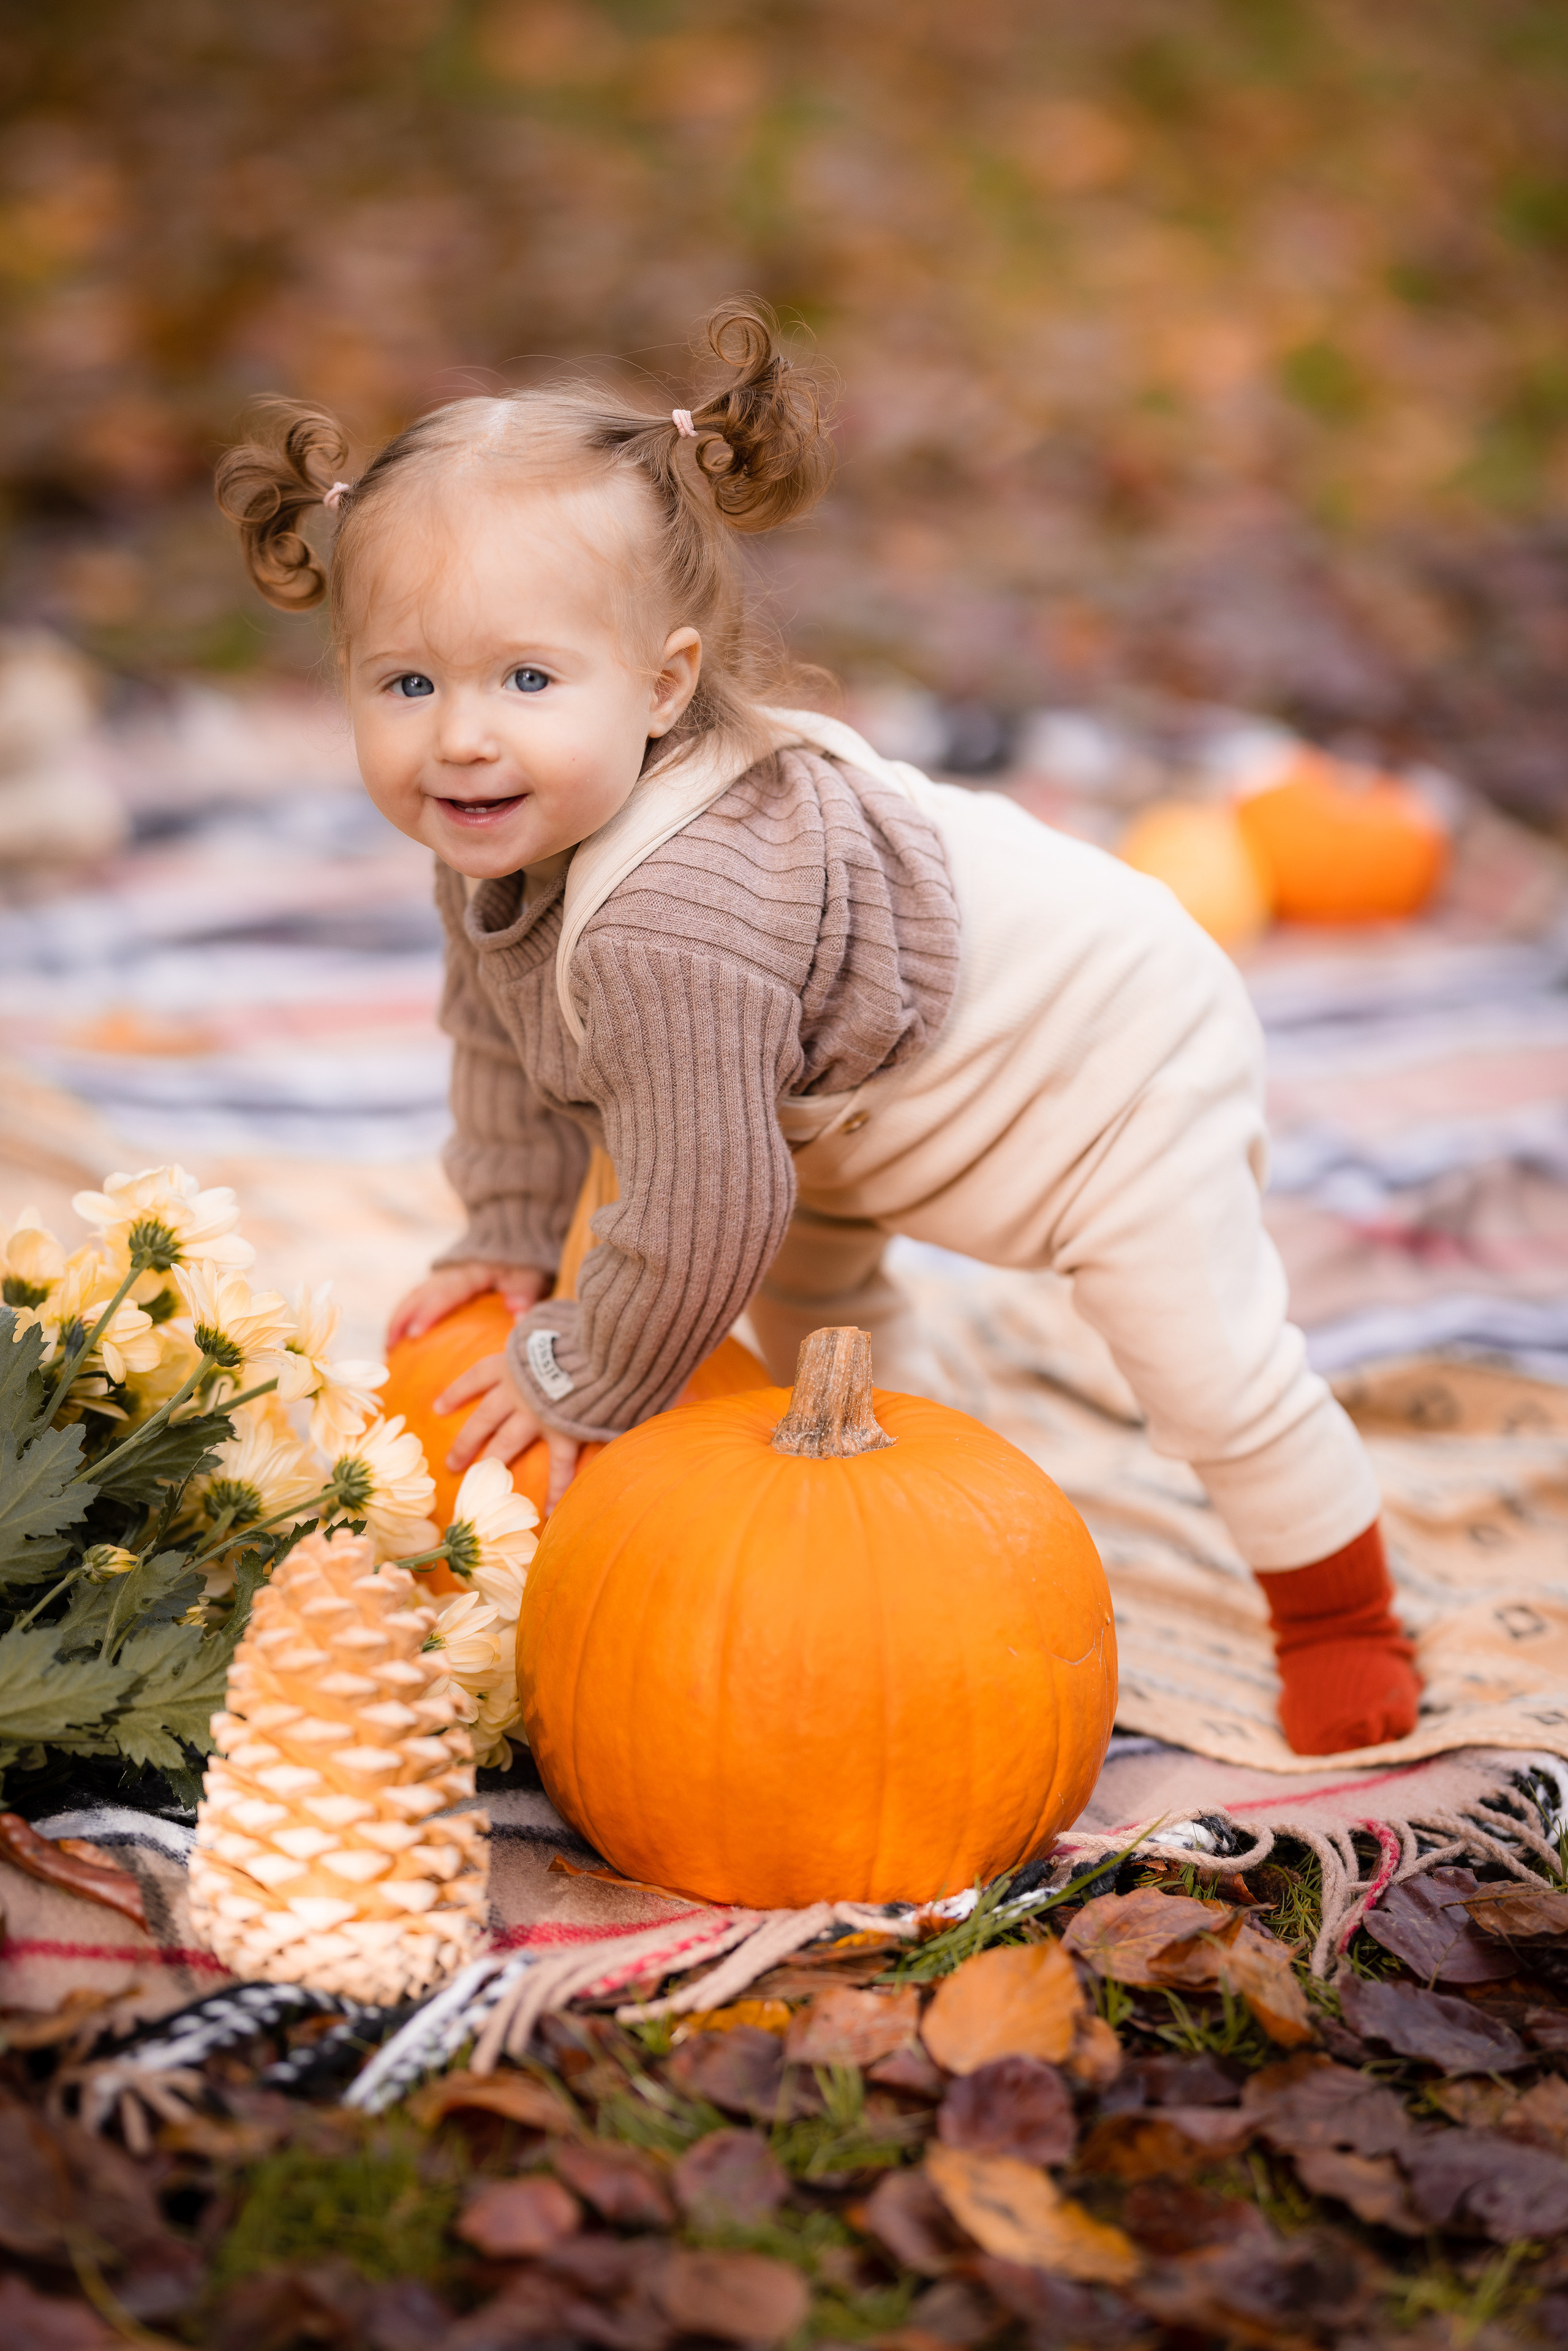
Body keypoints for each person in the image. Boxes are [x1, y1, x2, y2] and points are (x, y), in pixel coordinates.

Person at [216, 300, 1417, 1757]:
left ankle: (1337, 1614)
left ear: (660, 685)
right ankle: (892, 1522)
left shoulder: (678, 921)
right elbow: (501, 1044)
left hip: (1099, 1060)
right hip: (841, 1091)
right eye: (407, 683)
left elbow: (700, 1205)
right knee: (811, 1311)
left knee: (1206, 1367)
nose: (459, 735)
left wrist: (585, 1363)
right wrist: (512, 1231)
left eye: (526, 678)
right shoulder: (497, 826)